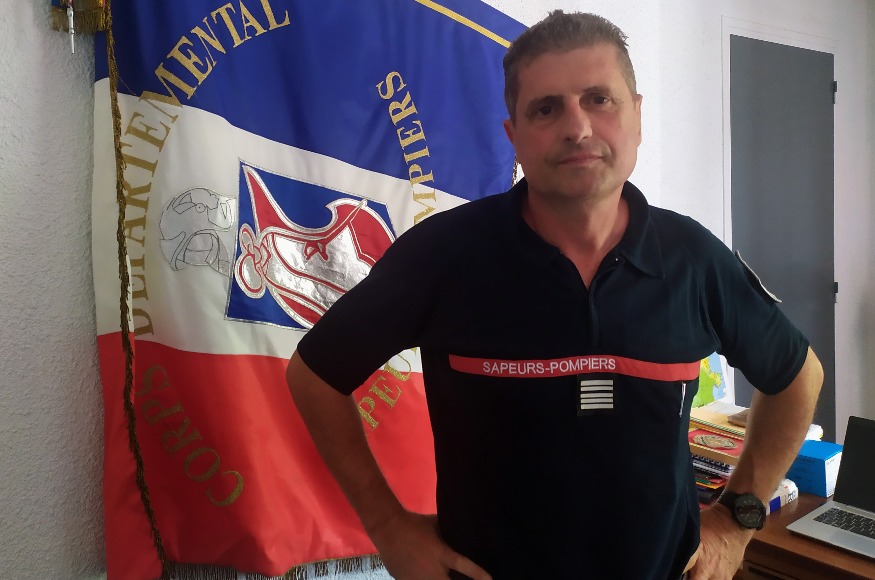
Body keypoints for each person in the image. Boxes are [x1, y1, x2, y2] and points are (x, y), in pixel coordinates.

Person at [286, 10, 823, 580]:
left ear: (637, 116)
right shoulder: (444, 254)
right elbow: (315, 375)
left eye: (599, 99)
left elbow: (798, 377)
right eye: (546, 109)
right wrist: (388, 527)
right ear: (513, 136)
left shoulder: (692, 258)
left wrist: (737, 519)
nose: (577, 128)